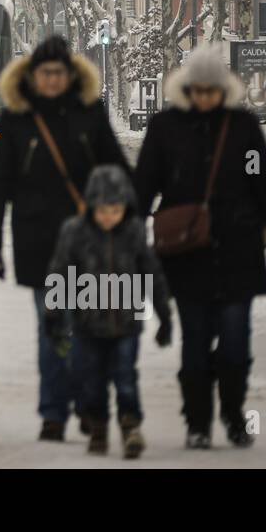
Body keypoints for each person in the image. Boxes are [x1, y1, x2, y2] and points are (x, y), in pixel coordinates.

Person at [135, 45, 266, 451]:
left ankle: (231, 411)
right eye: (198, 91)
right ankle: (196, 422)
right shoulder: (165, 128)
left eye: (212, 91)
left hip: (238, 254)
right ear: (186, 89)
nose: (205, 98)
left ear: (222, 90)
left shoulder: (242, 129)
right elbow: (142, 189)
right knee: (194, 343)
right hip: (187, 257)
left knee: (235, 343)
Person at [0, 34, 128, 443]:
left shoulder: (90, 113)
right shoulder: (15, 119)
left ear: (69, 74)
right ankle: (53, 412)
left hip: (88, 243)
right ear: (33, 75)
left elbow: (115, 169)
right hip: (38, 244)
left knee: (83, 331)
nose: (51, 79)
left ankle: (85, 403)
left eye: (58, 72)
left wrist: (130, 216)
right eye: (45, 72)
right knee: (52, 333)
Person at [45, 165, 171, 459]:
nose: (108, 217)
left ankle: (130, 426)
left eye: (114, 210)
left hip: (127, 323)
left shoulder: (134, 232)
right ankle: (99, 426)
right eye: (102, 210)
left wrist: (165, 316)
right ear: (91, 206)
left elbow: (151, 273)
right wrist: (53, 312)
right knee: (93, 379)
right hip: (88, 324)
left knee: (126, 376)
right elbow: (60, 271)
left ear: (124, 207)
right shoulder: (75, 232)